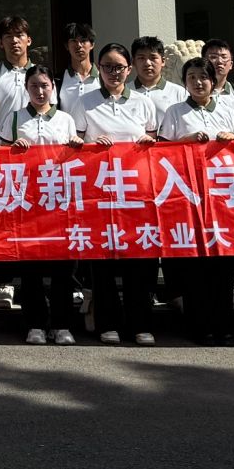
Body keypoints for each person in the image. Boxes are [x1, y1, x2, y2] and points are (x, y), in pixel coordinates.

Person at [72, 44, 159, 345]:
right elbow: (75, 144)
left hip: (136, 191)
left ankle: (140, 324)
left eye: (119, 67)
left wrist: (147, 142)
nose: (113, 72)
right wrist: (92, 145)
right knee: (103, 261)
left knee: (140, 260)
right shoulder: (84, 102)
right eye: (107, 66)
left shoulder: (143, 102)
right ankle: (107, 322)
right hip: (100, 191)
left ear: (129, 70)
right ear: (98, 68)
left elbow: (154, 144)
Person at [161, 59, 234, 346]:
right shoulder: (175, 111)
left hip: (223, 199)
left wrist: (231, 138)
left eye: (203, 77)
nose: (197, 82)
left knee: (223, 265)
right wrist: (186, 140)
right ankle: (199, 327)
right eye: (191, 77)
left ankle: (224, 327)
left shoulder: (229, 111)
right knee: (195, 267)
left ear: (213, 81)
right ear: (184, 83)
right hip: (189, 198)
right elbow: (161, 152)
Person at [7, 65, 84, 345]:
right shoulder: (15, 117)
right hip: (28, 203)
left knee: (63, 267)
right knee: (31, 269)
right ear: (26, 88)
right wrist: (13, 148)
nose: (40, 91)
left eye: (45, 85)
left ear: (53, 87)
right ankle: (35, 323)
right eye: (34, 86)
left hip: (60, 201)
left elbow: (76, 159)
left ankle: (62, 324)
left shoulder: (65, 119)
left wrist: (77, 145)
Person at [0, 16, 38, 143]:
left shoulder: (42, 75)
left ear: (29, 40)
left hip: (34, 147)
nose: (14, 40)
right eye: (8, 36)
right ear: (1, 43)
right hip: (0, 147)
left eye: (19, 35)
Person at [129, 36, 188, 118]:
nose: (147, 63)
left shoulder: (179, 93)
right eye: (141, 58)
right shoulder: (124, 92)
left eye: (153, 58)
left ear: (163, 61)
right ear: (133, 62)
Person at [57, 22, 96, 116]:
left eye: (83, 40)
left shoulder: (103, 77)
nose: (78, 45)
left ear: (92, 45)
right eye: (74, 41)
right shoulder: (58, 80)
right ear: (67, 46)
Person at [202, 39, 234, 120]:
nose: (219, 61)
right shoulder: (194, 92)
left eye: (224, 57)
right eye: (213, 57)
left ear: (231, 65)